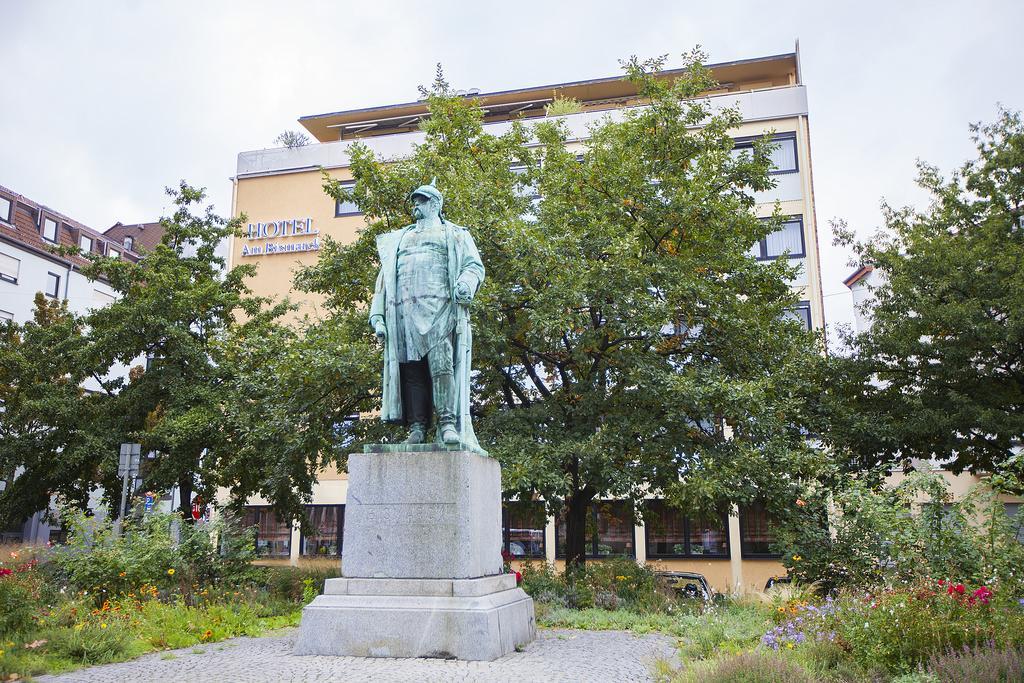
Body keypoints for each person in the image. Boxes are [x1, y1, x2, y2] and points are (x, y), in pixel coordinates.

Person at [369, 180, 485, 451]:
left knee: (441, 365)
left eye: (421, 201)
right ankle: (418, 427)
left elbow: (473, 266)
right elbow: (384, 280)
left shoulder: (454, 235)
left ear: (435, 204)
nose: (415, 206)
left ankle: (447, 423)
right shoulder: (399, 238)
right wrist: (377, 315)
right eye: (415, 201)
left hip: (440, 309)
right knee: (412, 371)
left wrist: (466, 284)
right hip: (404, 313)